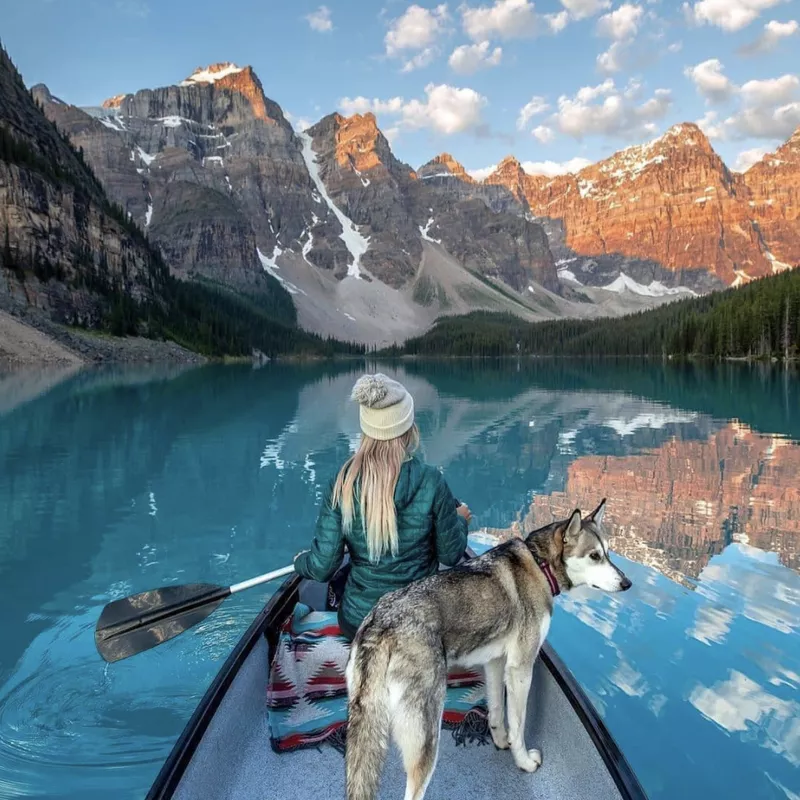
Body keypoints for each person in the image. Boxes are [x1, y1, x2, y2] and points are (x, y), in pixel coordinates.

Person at [293, 373, 472, 640]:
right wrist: (460, 521)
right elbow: (451, 555)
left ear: (366, 429)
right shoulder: (431, 481)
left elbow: (322, 567)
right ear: (409, 428)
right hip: (419, 626)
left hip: (360, 625)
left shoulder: (343, 482)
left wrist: (300, 562)